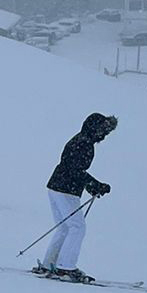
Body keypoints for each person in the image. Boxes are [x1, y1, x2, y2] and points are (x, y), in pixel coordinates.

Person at [37, 113, 118, 281]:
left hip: (56, 186)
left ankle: (49, 264)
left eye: (106, 132)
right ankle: (66, 267)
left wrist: (92, 185)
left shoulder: (81, 140)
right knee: (77, 227)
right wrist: (94, 184)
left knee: (65, 228)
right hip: (65, 189)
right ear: (94, 128)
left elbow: (74, 169)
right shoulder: (84, 143)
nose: (103, 135)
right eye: (102, 130)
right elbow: (74, 170)